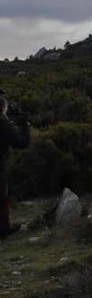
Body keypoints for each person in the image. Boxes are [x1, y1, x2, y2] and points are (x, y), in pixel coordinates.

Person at [0, 88, 30, 239]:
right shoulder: (2, 122)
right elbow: (22, 143)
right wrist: (24, 125)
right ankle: (4, 229)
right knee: (2, 199)